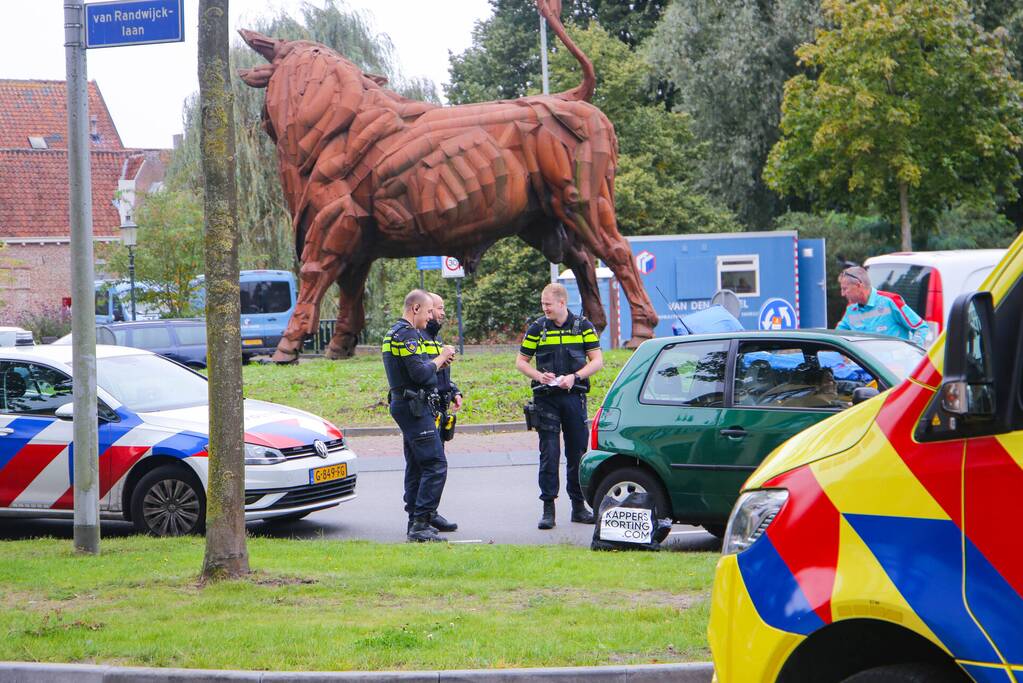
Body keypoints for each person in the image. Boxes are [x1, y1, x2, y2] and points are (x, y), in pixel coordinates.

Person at [515, 283, 603, 529]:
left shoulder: (583, 326)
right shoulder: (537, 328)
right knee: (549, 454)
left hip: (574, 397)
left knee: (577, 454)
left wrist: (575, 377)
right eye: (543, 304)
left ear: (562, 303)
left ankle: (578, 507)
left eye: (548, 304)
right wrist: (537, 375)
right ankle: (548, 509)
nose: (545, 309)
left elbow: (597, 361)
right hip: (546, 399)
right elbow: (521, 362)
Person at [382, 289, 457, 542]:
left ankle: (415, 520)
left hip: (406, 404)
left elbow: (419, 368)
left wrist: (436, 365)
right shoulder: (407, 335)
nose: (429, 318)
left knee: (416, 465)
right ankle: (420, 524)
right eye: (427, 312)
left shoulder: (395, 332)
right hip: (413, 406)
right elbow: (420, 374)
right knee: (435, 464)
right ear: (415, 309)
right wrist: (442, 358)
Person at [836, 266, 927, 345]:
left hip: (894, 364)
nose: (842, 294)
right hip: (864, 364)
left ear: (858, 285)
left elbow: (921, 327)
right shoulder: (851, 310)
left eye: (845, 289)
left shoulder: (890, 302)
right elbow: (837, 338)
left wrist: (911, 353)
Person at [424, 292, 463, 446]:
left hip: (441, 406)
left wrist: (453, 391)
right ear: (428, 309)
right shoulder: (418, 337)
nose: (443, 313)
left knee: (438, 459)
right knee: (432, 462)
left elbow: (440, 371)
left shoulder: (436, 338)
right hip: (427, 409)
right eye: (440, 308)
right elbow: (422, 371)